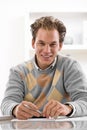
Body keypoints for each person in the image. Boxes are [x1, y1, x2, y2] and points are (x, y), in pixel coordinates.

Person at [1, 16, 87, 120]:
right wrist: (15, 108)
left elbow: (84, 100)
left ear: (60, 45)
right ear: (33, 43)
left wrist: (67, 108)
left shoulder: (70, 66)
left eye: (53, 44)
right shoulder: (18, 71)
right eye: (41, 43)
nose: (47, 50)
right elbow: (7, 103)